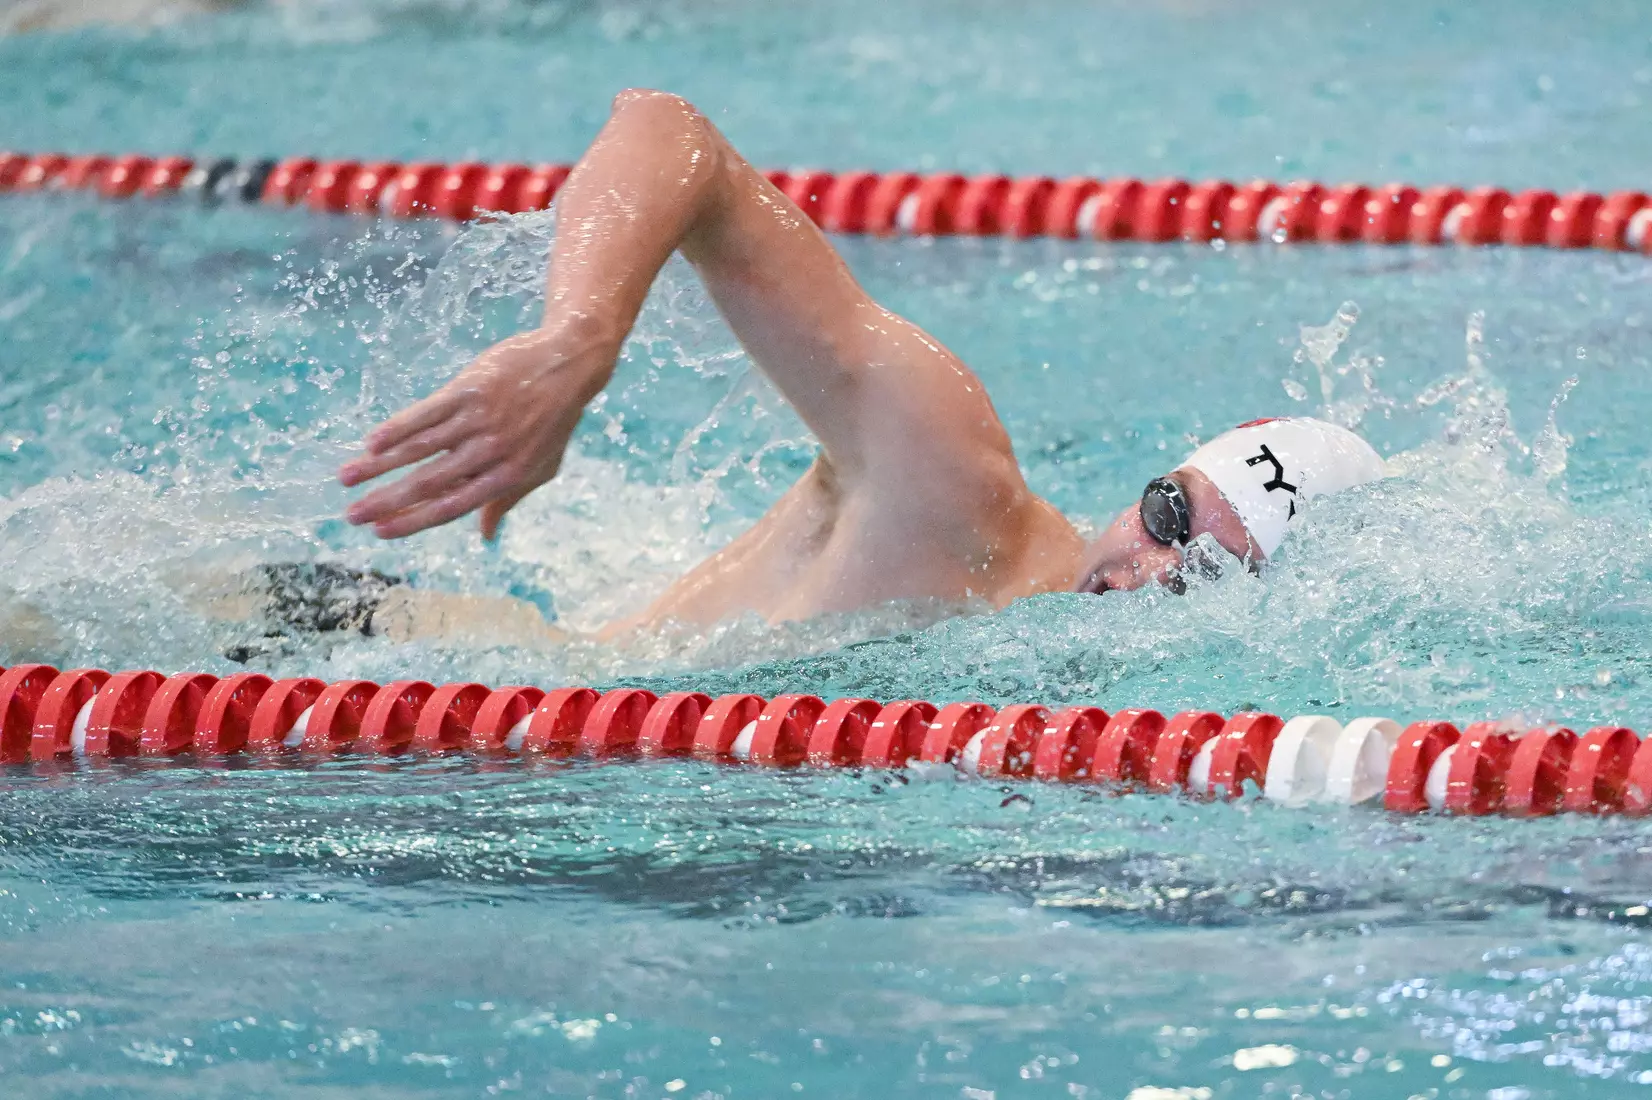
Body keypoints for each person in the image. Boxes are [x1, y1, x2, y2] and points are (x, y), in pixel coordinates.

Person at [338, 89, 1385, 638]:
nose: (1150, 573)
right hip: (354, 652)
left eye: (1203, 577)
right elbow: (668, 132)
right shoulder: (954, 494)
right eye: (1168, 516)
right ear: (1150, 480)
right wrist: (577, 340)